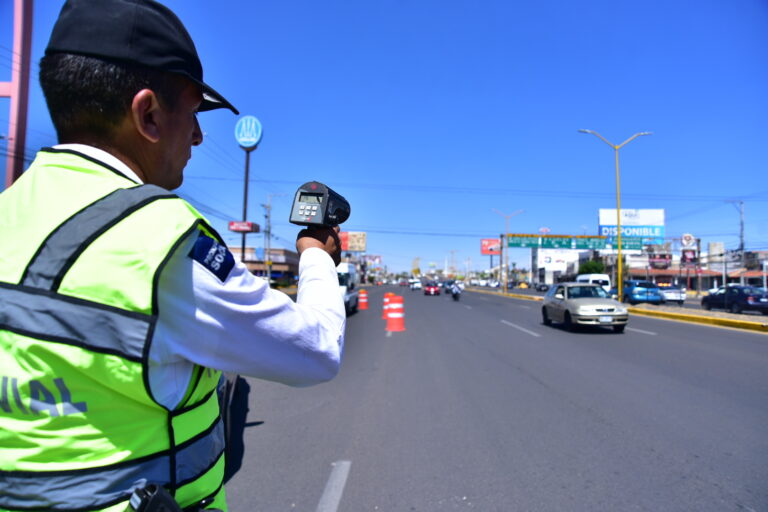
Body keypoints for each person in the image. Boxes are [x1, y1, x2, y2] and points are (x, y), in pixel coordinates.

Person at [0, 1, 345, 511]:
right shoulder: (160, 240)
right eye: (193, 113)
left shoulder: (12, 211)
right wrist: (315, 253)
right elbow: (316, 350)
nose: (199, 136)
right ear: (149, 114)